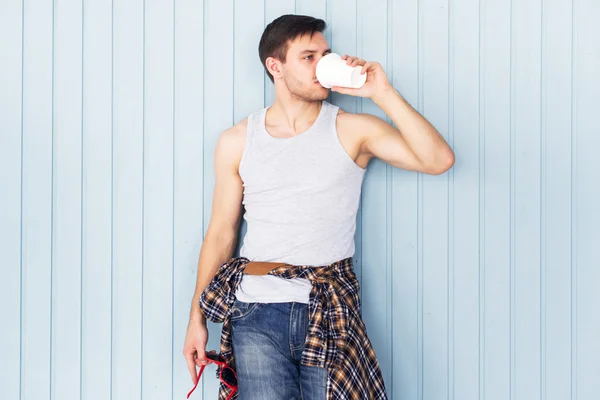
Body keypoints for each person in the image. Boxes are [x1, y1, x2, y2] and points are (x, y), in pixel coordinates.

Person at [183, 14, 454, 400]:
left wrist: (382, 92)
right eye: (308, 57)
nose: (323, 65)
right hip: (254, 311)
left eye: (325, 54)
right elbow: (220, 234)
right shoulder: (238, 140)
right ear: (275, 66)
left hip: (328, 306)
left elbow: (438, 159)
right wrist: (196, 319)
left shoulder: (352, 129)